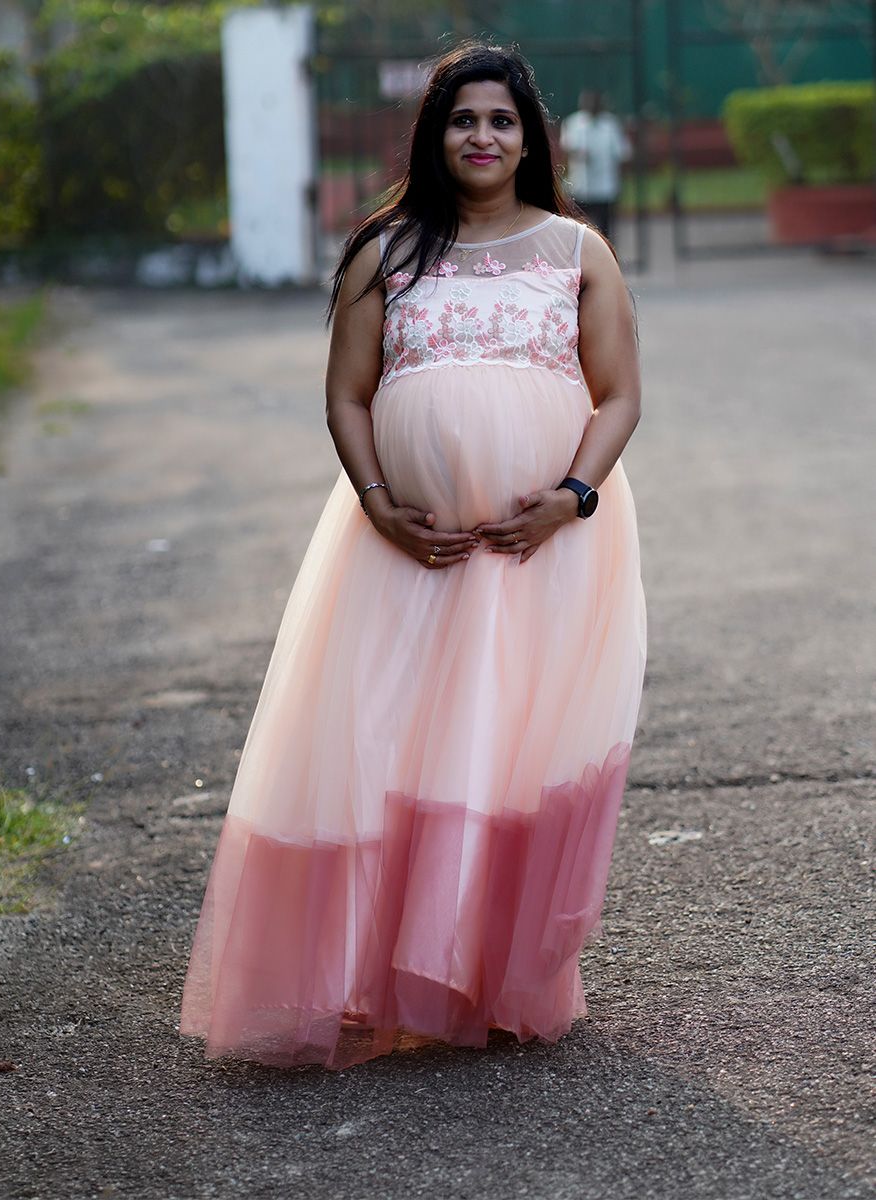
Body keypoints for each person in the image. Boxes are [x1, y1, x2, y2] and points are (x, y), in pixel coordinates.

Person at [179, 41, 646, 1071]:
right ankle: (373, 976)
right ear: (435, 136)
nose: (482, 137)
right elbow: (346, 394)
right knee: (390, 747)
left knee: (511, 754)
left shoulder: (576, 251)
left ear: (530, 139)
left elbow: (618, 395)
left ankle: (501, 983)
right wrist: (382, 505)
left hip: (544, 551)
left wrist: (569, 500)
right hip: (405, 549)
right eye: (462, 120)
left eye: (502, 121)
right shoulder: (386, 252)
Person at [559, 88, 632, 242]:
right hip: (580, 184)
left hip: (605, 186)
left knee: (605, 228)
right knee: (576, 227)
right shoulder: (573, 123)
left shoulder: (610, 125)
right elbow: (567, 149)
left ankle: (605, 257)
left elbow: (623, 153)